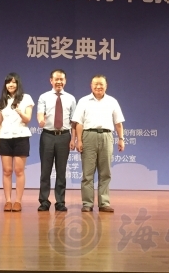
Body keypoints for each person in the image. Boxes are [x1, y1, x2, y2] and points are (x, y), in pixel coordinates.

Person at [72, 74, 125, 213]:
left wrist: (121, 138)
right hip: (88, 136)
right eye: (95, 84)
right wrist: (79, 140)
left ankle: (104, 203)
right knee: (87, 173)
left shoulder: (112, 101)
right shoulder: (83, 101)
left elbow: (118, 122)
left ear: (106, 86)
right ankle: (87, 203)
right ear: (91, 86)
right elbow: (79, 123)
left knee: (105, 172)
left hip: (107, 136)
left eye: (101, 84)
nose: (98, 86)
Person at [36, 69, 76, 212]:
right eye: (56, 79)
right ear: (51, 81)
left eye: (61, 79)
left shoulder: (71, 98)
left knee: (61, 170)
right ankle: (44, 201)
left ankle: (60, 201)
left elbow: (74, 121)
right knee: (45, 170)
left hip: (64, 136)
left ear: (65, 81)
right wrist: (41, 121)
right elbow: (40, 113)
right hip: (47, 135)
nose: (59, 82)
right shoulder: (44, 97)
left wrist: (73, 138)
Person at [0, 72, 34, 212]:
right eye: (8, 82)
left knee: (19, 170)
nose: (11, 85)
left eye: (13, 82)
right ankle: (8, 201)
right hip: (5, 138)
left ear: (18, 84)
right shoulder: (2, 101)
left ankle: (18, 201)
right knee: (7, 171)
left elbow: (27, 119)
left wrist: (19, 111)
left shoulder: (26, 98)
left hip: (21, 137)